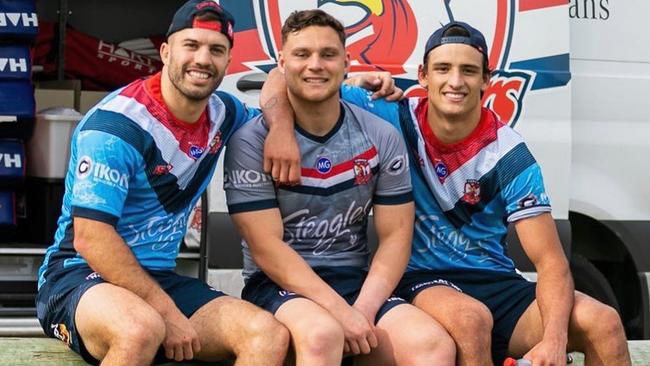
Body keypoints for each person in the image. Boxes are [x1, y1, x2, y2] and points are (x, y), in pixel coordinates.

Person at [336, 21, 632, 366]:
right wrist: (351, 83)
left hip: (496, 280)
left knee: (605, 322)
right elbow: (295, 83)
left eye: (469, 71)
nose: (456, 81)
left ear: (486, 81)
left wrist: (553, 342)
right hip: (421, 279)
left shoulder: (508, 152)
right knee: (470, 319)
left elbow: (550, 261)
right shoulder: (392, 115)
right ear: (423, 75)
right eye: (443, 69)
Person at [34, 1, 303, 364]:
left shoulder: (222, 112)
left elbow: (278, 81)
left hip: (157, 277)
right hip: (79, 275)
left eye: (216, 50)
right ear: (165, 51)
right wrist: (167, 312)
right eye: (191, 45)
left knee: (267, 335)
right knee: (141, 329)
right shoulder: (116, 125)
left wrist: (282, 130)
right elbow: (91, 237)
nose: (203, 59)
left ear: (227, 62)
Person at [225, 9, 455, 366]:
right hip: (277, 284)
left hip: (353, 280)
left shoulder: (381, 135)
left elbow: (396, 237)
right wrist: (341, 314)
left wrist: (361, 310)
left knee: (432, 346)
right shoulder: (252, 141)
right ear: (282, 63)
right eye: (302, 55)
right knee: (321, 335)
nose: (315, 64)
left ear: (347, 62)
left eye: (328, 54)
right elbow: (266, 249)